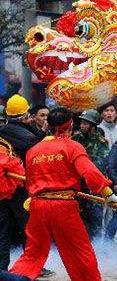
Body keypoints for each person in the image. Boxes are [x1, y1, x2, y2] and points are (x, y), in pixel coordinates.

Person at [6, 107, 117, 281]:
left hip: (37, 206)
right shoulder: (72, 146)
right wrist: (108, 194)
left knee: (32, 253)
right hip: (63, 206)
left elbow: (30, 179)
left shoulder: (34, 151)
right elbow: (90, 173)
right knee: (79, 251)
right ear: (70, 125)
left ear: (49, 125)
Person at [0, 94, 47, 275]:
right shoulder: (29, 138)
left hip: (2, 187)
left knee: (2, 228)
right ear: (25, 116)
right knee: (29, 227)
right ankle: (34, 267)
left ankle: (1, 267)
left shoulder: (1, 132)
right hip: (20, 187)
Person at [72, 109, 110, 238]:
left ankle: (98, 247)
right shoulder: (75, 138)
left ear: (93, 125)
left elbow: (101, 164)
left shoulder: (102, 142)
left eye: (86, 123)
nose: (82, 126)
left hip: (93, 187)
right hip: (77, 185)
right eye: (81, 123)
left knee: (95, 218)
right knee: (77, 218)